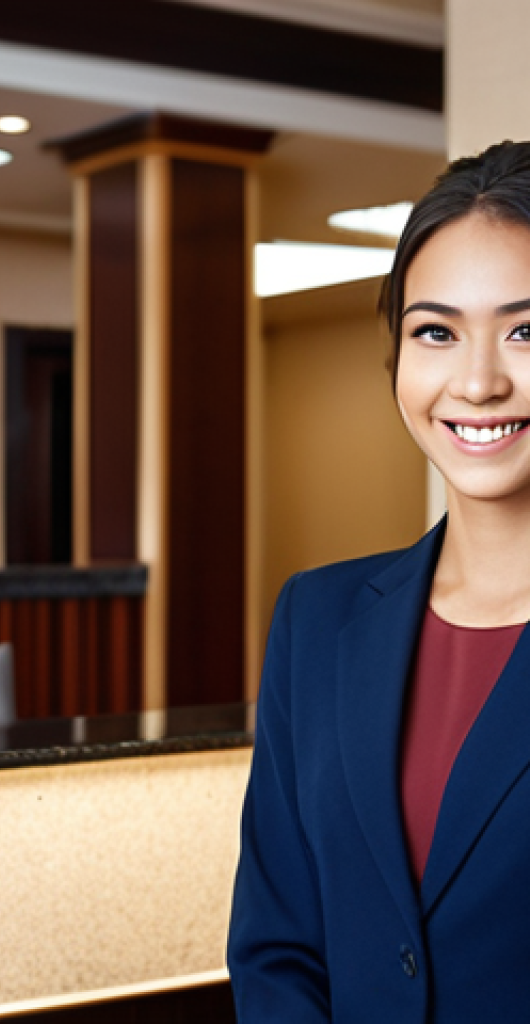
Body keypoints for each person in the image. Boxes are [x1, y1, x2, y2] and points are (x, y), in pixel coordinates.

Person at [228, 140, 530, 1023]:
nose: (478, 382)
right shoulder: (315, 621)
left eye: (527, 329)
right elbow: (276, 944)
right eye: (435, 331)